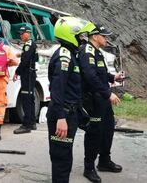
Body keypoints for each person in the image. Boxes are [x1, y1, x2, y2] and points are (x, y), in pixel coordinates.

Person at [78, 23, 124, 183]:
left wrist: (113, 77)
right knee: (94, 133)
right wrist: (108, 93)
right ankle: (88, 167)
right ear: (95, 36)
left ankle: (104, 160)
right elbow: (90, 77)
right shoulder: (86, 51)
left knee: (108, 129)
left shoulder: (97, 52)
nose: (106, 38)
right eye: (104, 36)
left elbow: (100, 73)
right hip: (92, 99)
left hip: (102, 99)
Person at [47, 17, 90, 183]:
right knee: (61, 158)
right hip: (62, 113)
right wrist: (61, 118)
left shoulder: (72, 55)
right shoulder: (64, 57)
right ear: (69, 35)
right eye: (80, 36)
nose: (82, 39)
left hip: (70, 112)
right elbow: (57, 89)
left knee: (65, 155)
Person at [13, 26, 38, 134]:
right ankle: (32, 122)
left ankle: (26, 125)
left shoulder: (28, 45)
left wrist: (17, 72)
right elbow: (32, 57)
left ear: (28, 33)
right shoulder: (31, 44)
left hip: (27, 75)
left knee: (26, 100)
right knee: (30, 98)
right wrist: (22, 54)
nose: (21, 35)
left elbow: (25, 62)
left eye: (22, 33)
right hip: (30, 74)